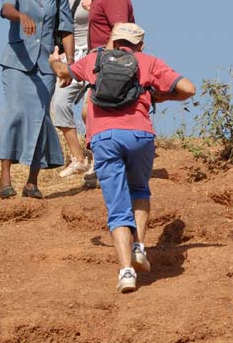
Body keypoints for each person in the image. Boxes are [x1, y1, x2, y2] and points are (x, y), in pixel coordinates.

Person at [49, 22, 196, 293]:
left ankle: (126, 272)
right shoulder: (149, 62)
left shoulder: (95, 59)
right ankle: (139, 246)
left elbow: (62, 73)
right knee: (139, 190)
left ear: (113, 42)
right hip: (140, 136)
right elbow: (188, 89)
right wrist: (159, 98)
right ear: (140, 44)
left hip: (104, 137)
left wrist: (55, 61)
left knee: (118, 208)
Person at [0, 0, 74, 200]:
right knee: (16, 113)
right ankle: (5, 177)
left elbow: (66, 29)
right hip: (17, 61)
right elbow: (5, 8)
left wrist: (69, 64)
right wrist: (20, 16)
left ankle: (32, 182)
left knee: (40, 119)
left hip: (46, 67)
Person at [75, 0, 136, 188]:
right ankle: (104, 167)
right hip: (103, 62)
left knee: (92, 112)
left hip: (113, 64)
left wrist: (106, 62)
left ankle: (103, 168)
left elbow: (120, 31)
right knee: (97, 114)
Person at [51, 0, 92, 178]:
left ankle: (99, 157)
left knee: (90, 109)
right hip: (71, 57)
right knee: (58, 104)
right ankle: (79, 158)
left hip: (94, 53)